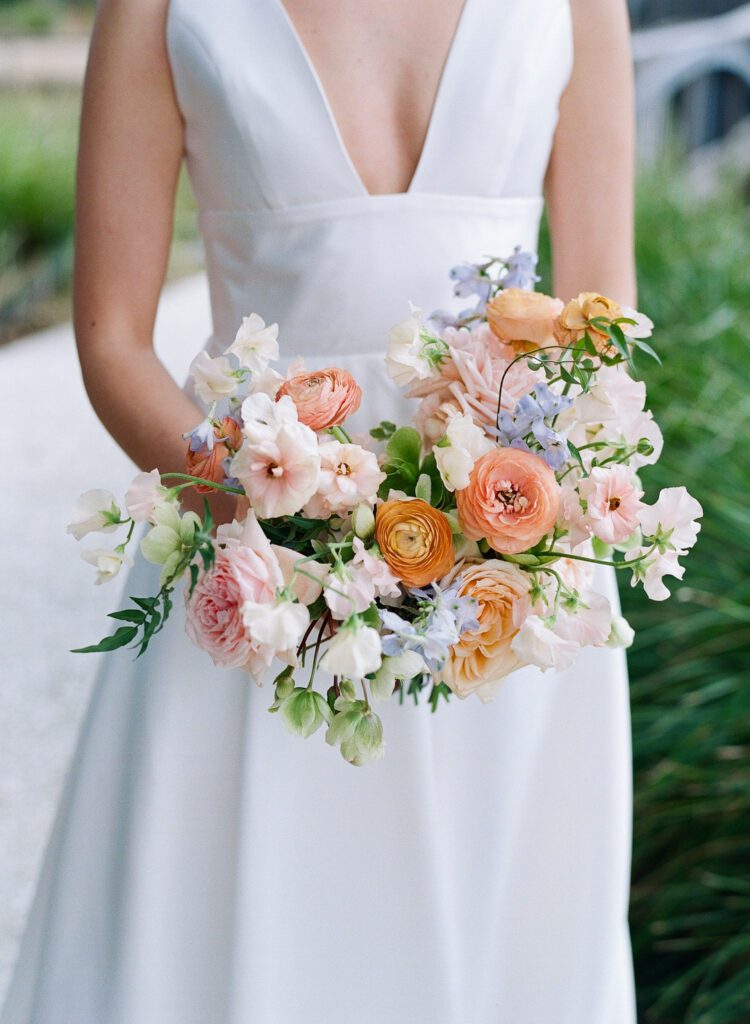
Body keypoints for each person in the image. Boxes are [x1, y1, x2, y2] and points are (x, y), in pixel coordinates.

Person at [0, 0, 638, 1021]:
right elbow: (111, 337)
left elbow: (602, 307)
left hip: (510, 599)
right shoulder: (157, 8)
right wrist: (269, 525)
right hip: (256, 579)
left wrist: (516, 520)